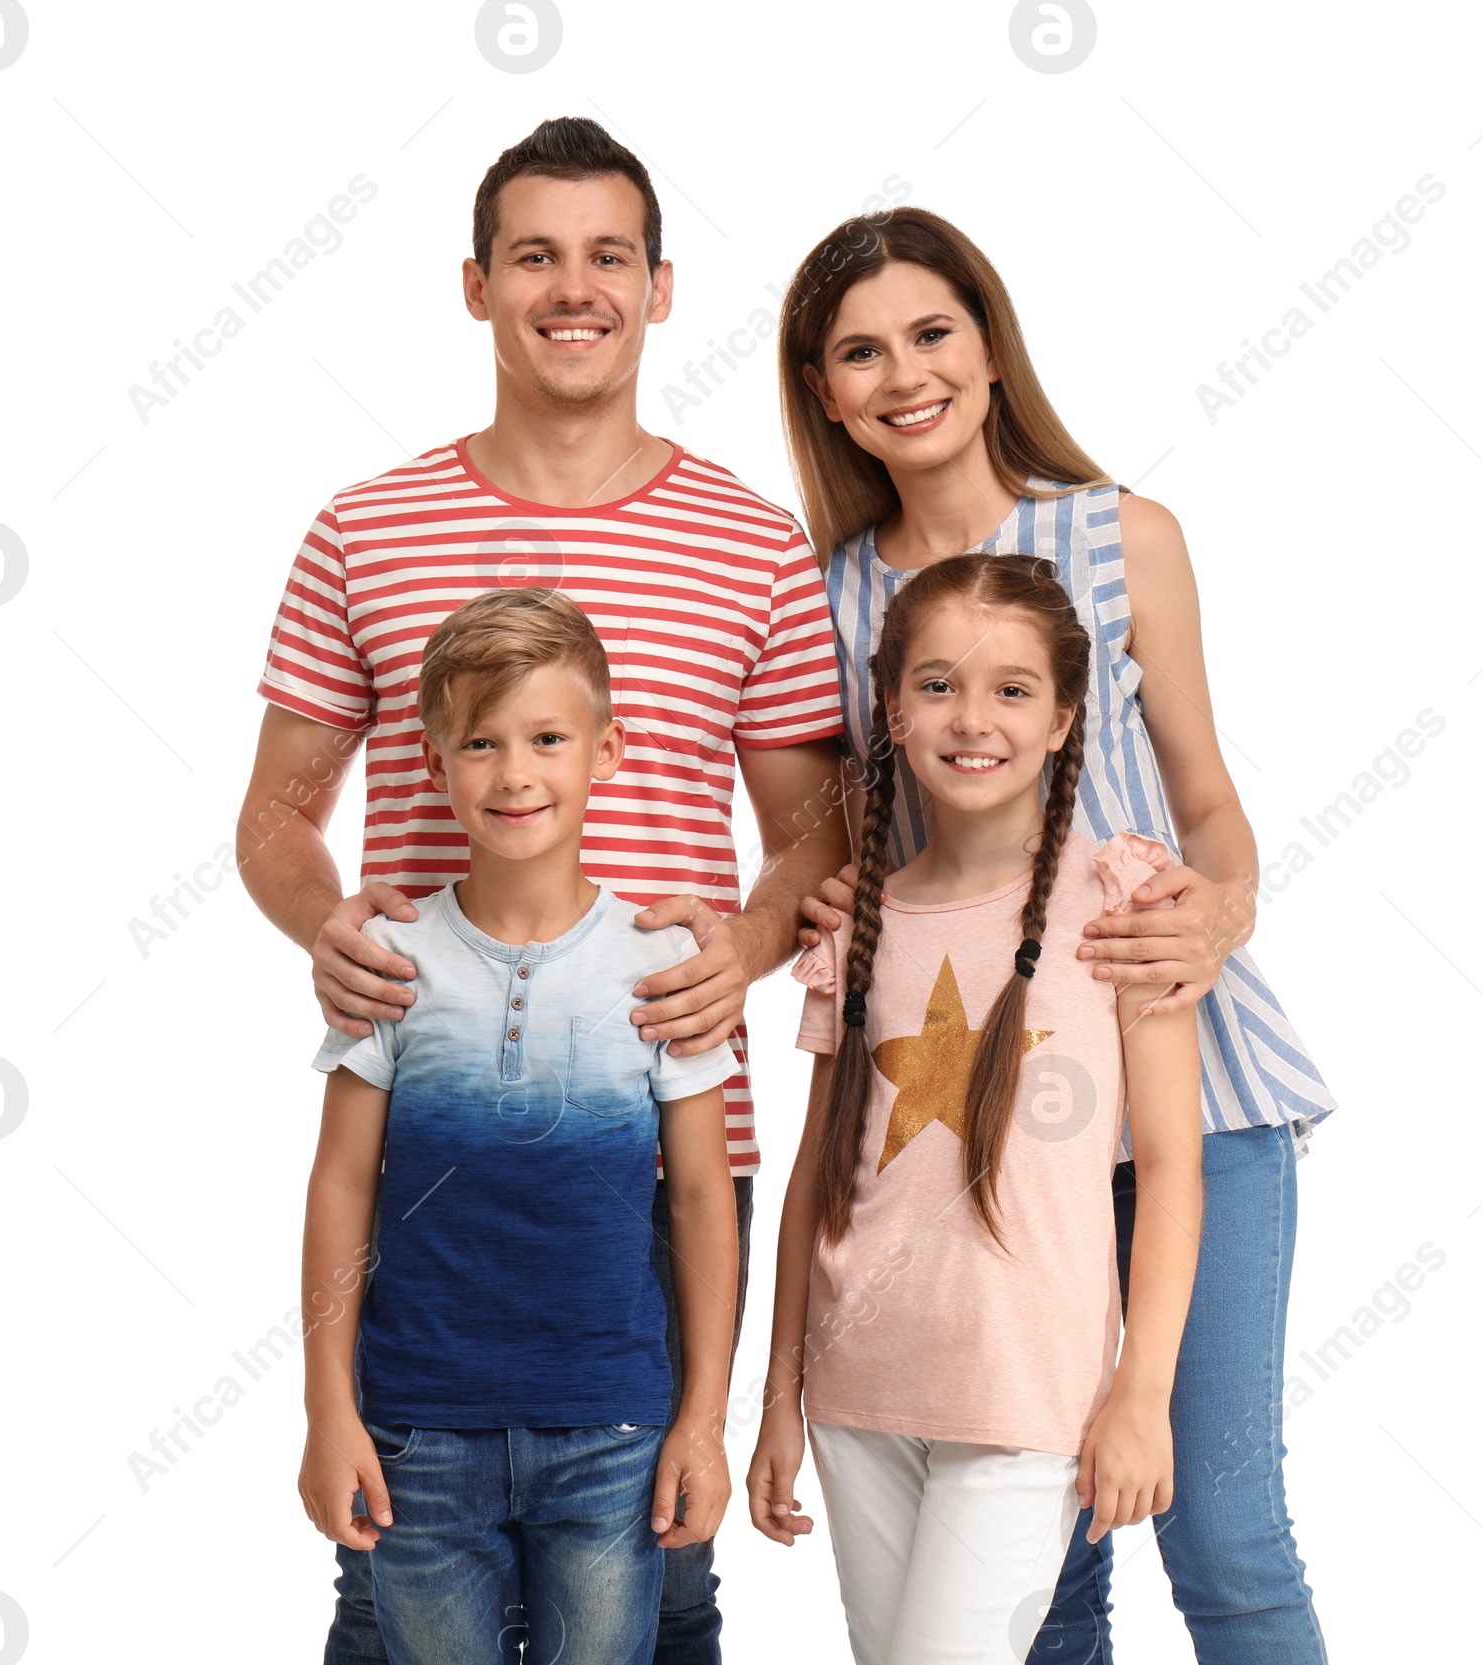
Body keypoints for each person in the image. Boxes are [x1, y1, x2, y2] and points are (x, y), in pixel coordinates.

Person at [237, 117, 848, 1664]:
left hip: (662, 1136)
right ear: (475, 284)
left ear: (657, 290)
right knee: (393, 1577)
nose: (570, 287)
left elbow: (815, 833)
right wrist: (331, 927)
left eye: (606, 257)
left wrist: (749, 945)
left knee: (662, 1579)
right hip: (428, 1113)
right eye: (534, 255)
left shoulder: (755, 544)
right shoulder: (363, 530)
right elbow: (277, 815)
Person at [782, 207, 1335, 1662]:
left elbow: (1209, 805)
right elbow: (859, 849)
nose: (906, 373)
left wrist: (1217, 908)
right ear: (824, 389)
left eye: (932, 331)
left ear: (989, 342)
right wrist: (818, 906)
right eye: (860, 351)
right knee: (1045, 1567)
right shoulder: (830, 592)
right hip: (985, 1124)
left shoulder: (1121, 534)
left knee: (1223, 1533)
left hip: (1187, 1092)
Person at [745, 555, 1203, 1663]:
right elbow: (814, 1178)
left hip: (1022, 1398)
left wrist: (1141, 1393)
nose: (971, 718)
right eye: (938, 684)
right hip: (859, 1392)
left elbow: (1171, 1173)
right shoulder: (855, 929)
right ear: (891, 707)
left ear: (1061, 720)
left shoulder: (1124, 899)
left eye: (1010, 690)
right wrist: (778, 1397)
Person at [298, 590, 740, 1664]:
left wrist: (703, 1419)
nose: (514, 773)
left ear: (608, 749)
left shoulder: (657, 968)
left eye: (547, 738)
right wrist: (327, 1413)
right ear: (435, 759)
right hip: (418, 1436)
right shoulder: (394, 960)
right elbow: (340, 1186)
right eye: (481, 743)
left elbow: (697, 1198)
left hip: (612, 1432)